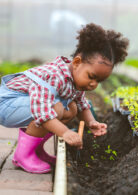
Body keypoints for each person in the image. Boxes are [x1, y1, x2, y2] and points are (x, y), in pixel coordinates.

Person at [0, 23, 129, 174]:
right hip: (6, 105)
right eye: (92, 77)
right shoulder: (55, 76)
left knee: (72, 108)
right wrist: (65, 133)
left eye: (98, 81)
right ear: (76, 62)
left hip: (21, 105)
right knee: (56, 109)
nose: (93, 84)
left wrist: (91, 122)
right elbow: (43, 113)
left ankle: (35, 149)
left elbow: (82, 104)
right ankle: (22, 155)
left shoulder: (75, 80)